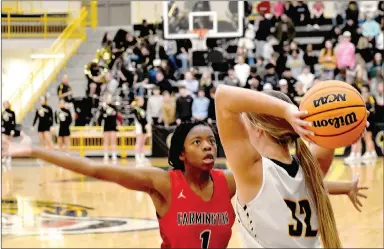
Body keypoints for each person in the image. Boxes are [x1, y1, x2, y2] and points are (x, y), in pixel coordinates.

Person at [3, 121, 237, 248]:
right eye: (197, 142)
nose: (208, 146)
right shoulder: (164, 183)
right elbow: (95, 169)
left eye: (211, 141)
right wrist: (35, 151)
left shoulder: (228, 181)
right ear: (182, 153)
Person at [215, 84, 368, 248]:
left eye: (244, 123)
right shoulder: (310, 167)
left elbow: (222, 96)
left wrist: (285, 110)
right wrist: (350, 124)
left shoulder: (252, 172)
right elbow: (331, 126)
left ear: (259, 129)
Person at [98, 94, 118, 162]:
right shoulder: (103, 107)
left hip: (113, 127)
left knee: (113, 141)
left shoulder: (114, 107)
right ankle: (106, 155)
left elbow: (115, 115)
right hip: (106, 127)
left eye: (110, 98)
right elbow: (100, 118)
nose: (108, 99)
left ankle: (114, 155)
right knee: (106, 142)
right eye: (107, 98)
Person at [131, 96, 149, 162]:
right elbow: (139, 119)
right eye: (141, 101)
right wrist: (144, 124)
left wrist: (146, 124)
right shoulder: (136, 109)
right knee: (138, 142)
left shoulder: (142, 109)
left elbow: (145, 118)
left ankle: (142, 156)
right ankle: (137, 156)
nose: (142, 102)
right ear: (137, 102)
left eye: (143, 101)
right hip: (139, 127)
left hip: (144, 127)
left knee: (143, 142)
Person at [2, 101, 16, 165]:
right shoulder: (2, 113)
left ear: (8, 104)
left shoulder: (12, 113)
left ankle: (9, 157)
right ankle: (4, 156)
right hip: (4, 130)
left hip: (10, 130)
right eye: (4, 104)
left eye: (6, 104)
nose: (5, 105)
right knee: (4, 143)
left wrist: (13, 129)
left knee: (9, 143)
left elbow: (13, 122)